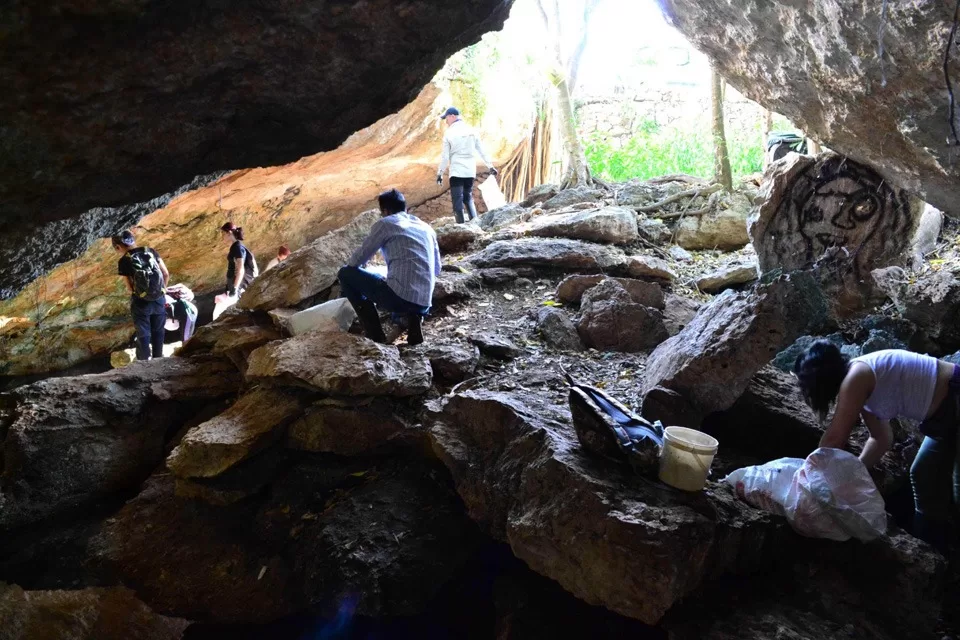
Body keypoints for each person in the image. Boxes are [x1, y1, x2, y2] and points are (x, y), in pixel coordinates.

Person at [793, 341, 960, 550]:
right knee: (923, 474)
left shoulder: (857, 375)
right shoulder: (863, 381)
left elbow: (835, 439)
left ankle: (939, 551)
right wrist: (852, 476)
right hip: (943, 419)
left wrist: (805, 481)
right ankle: (936, 549)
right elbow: (881, 439)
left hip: (955, 397)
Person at [337, 189, 440, 346]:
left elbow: (358, 259)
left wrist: (357, 270)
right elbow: (437, 269)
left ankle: (375, 336)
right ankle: (412, 319)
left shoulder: (386, 224)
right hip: (424, 301)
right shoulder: (426, 227)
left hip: (398, 299)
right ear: (405, 207)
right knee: (394, 286)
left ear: (385, 210)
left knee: (345, 273)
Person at [112, 229, 170, 361]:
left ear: (118, 247)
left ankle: (144, 364)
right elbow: (165, 274)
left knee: (143, 333)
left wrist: (141, 293)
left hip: (140, 302)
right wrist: (161, 291)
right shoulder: (151, 251)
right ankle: (158, 361)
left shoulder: (124, 261)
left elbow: (129, 287)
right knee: (158, 331)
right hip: (159, 299)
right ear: (133, 239)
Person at [436, 106, 498, 224]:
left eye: (446, 118)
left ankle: (461, 225)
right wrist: (490, 166)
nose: (446, 121)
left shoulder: (449, 133)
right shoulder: (472, 131)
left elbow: (445, 157)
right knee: (467, 197)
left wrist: (439, 173)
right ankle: (475, 223)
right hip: (470, 171)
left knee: (457, 199)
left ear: (452, 116)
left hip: (456, 171)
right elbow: (481, 150)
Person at [220, 222, 259, 297]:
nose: (222, 236)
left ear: (229, 233)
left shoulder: (238, 248)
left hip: (240, 284)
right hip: (234, 282)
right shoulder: (236, 246)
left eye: (223, 233)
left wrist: (235, 288)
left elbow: (241, 269)